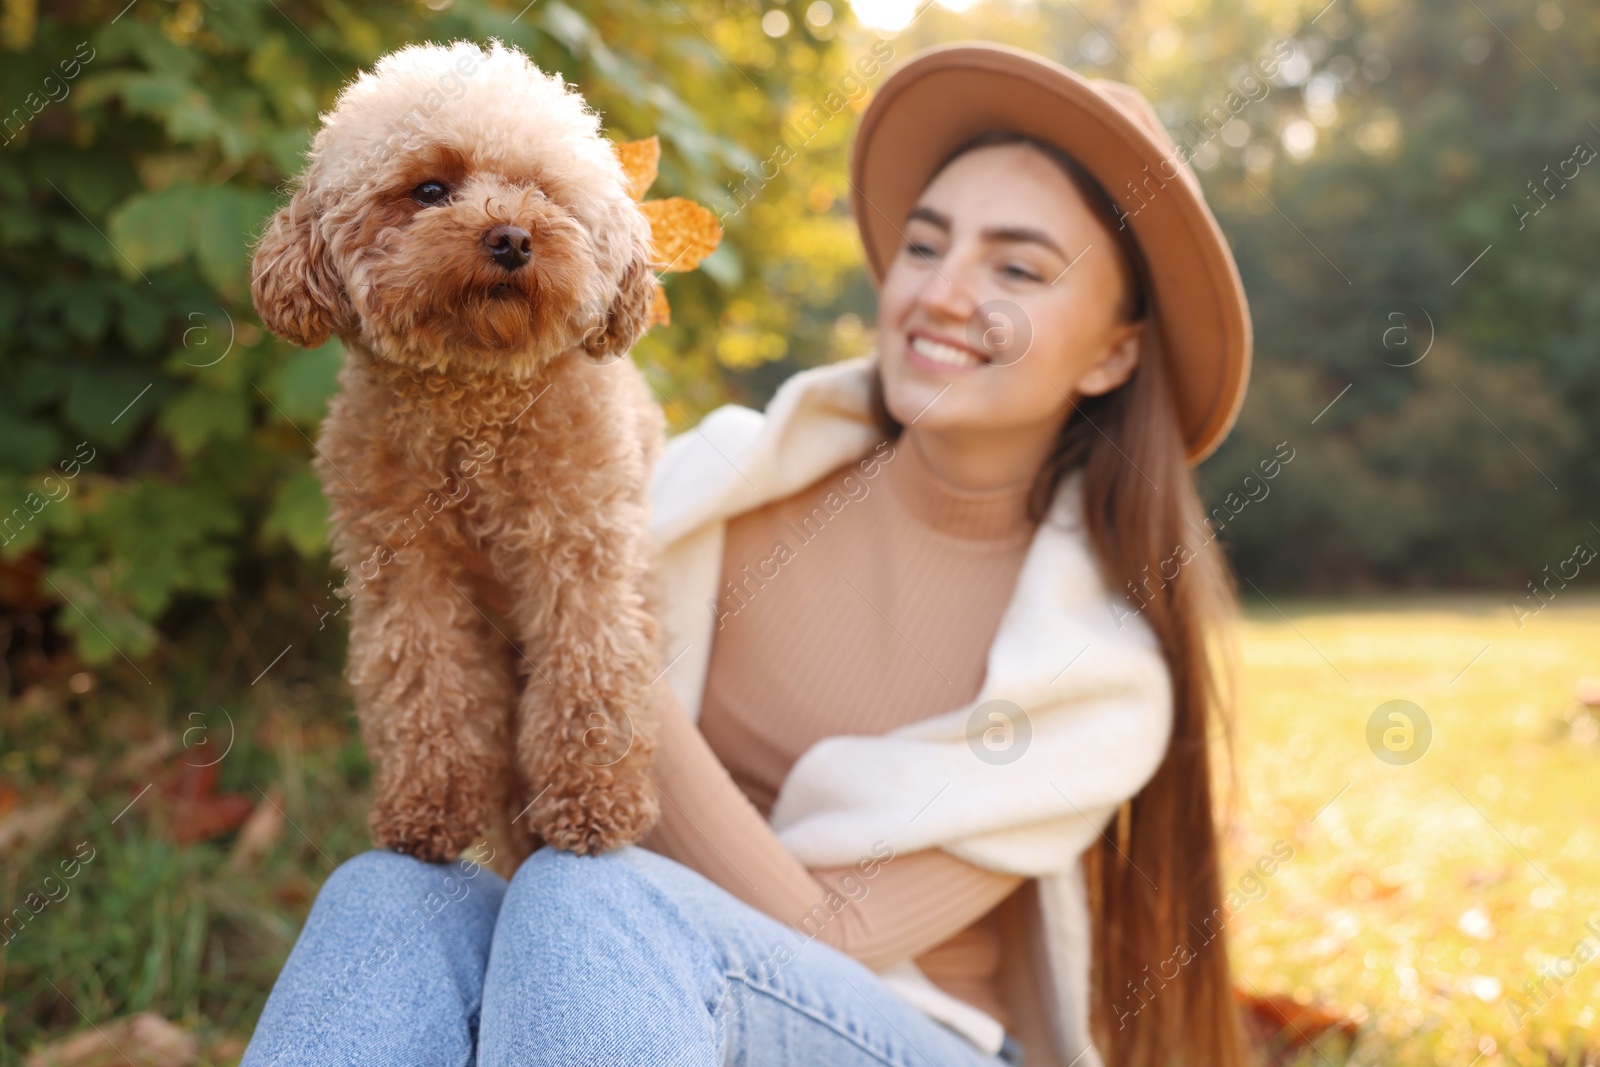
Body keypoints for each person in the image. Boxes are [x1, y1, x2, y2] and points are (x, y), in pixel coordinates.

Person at [240, 41, 1253, 1067]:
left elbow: (836, 935)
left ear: (1117, 348)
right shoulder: (721, 470)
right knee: (392, 891)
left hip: (895, 1029)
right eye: (924, 245)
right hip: (630, 1001)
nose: (944, 292)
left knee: (592, 892)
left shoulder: (1097, 672)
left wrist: (576, 647)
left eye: (1017, 267)